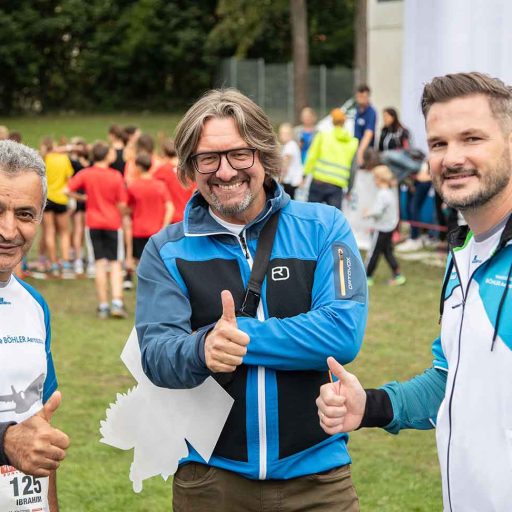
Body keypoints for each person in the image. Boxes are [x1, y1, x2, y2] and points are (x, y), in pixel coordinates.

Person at [136, 89, 368, 511]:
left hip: (318, 477)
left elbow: (341, 333)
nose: (224, 172)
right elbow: (155, 355)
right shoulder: (166, 249)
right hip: (210, 479)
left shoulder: (323, 226)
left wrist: (240, 336)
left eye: (239, 154)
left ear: (263, 154)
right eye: (208, 158)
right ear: (191, 166)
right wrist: (202, 348)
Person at [316, 71, 512, 512]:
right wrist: (370, 406)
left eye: (472, 138)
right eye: (439, 144)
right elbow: (452, 383)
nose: (452, 157)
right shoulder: (463, 252)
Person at [0, 140, 70, 511]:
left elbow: (40, 424)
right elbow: (15, 440)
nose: (9, 230)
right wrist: (4, 441)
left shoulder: (34, 304)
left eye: (25, 215)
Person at [66, 141, 128, 319]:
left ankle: (103, 306)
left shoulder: (86, 173)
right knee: (115, 264)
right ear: (107, 155)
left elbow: (66, 189)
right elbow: (122, 204)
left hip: (93, 223)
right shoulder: (116, 175)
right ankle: (117, 303)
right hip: (112, 223)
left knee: (99, 264)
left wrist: (83, 197)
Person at [304, 108, 358, 209]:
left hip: (318, 182)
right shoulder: (352, 143)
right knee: (333, 220)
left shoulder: (322, 136)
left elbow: (311, 156)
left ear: (332, 121)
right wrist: (350, 188)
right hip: (336, 186)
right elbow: (353, 169)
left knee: (310, 217)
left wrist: (305, 175)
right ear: (344, 122)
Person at [127, 153, 173, 262]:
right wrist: (164, 227)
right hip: (156, 231)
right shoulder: (160, 185)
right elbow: (170, 208)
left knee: (140, 264)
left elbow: (127, 208)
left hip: (138, 231)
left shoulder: (133, 186)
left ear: (138, 167)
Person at [363, 165, 405, 286]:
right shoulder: (390, 192)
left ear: (378, 179)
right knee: (387, 252)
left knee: (373, 252)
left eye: (374, 179)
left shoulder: (383, 194)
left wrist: (367, 213)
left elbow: (378, 211)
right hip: (389, 228)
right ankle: (397, 274)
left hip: (381, 229)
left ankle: (366, 276)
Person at [40, 138, 74, 278]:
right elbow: (69, 178)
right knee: (65, 232)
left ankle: (53, 263)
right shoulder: (64, 158)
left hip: (48, 198)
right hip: (61, 198)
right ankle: (65, 263)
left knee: (49, 231)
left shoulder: (44, 159)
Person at [153, 139, 195, 224]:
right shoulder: (189, 170)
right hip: (187, 217)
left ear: (164, 154)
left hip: (168, 218)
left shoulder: (161, 171)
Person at [354, 84, 377, 167]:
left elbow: (368, 133)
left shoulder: (371, 112)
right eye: (359, 96)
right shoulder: (356, 110)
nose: (361, 99)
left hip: (365, 150)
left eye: (363, 97)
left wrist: (360, 152)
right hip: (355, 147)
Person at [278, 122, 303, 199]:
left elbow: (286, 162)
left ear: (291, 135)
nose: (282, 136)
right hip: (295, 179)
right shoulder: (293, 145)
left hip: (290, 180)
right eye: (281, 133)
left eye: (285, 134)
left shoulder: (289, 146)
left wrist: (280, 178)